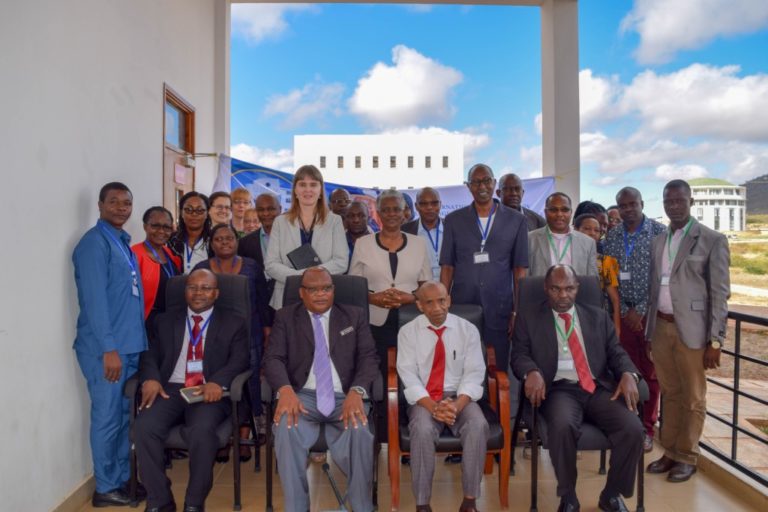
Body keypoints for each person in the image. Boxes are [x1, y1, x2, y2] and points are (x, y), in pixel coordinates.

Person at [511, 265, 643, 512]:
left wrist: (628, 373)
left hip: (597, 387)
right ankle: (568, 496)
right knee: (562, 426)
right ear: (545, 288)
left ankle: (611, 494)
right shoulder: (529, 317)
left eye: (569, 288)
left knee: (633, 428)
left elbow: (616, 352)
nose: (563, 295)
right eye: (556, 289)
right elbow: (519, 354)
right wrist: (531, 371)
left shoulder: (597, 316)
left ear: (578, 288)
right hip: (558, 389)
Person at [263, 267, 380, 512]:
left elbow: (368, 357)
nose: (320, 294)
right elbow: (273, 358)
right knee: (285, 426)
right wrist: (285, 390)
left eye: (326, 288)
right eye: (313, 289)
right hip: (302, 396)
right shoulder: (286, 317)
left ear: (333, 290)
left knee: (359, 431)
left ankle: (362, 507)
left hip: (345, 395)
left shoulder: (354, 315)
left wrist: (357, 391)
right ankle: (297, 508)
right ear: (301, 293)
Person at [134, 269, 249, 512]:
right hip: (171, 388)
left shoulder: (234, 322)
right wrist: (151, 378)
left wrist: (218, 381)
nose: (198, 293)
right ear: (185, 291)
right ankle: (160, 501)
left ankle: (194, 502)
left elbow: (240, 359)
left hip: (208, 390)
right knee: (144, 427)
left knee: (201, 431)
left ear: (216, 293)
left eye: (206, 288)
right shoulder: (164, 321)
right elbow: (149, 354)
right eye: (192, 287)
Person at [645, 180, 731, 483]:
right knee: (670, 393)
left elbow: (719, 294)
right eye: (668, 201)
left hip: (693, 333)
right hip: (661, 327)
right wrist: (649, 332)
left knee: (693, 397)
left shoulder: (711, 239)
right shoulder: (658, 241)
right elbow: (654, 289)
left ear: (690, 202)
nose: (674, 206)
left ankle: (687, 456)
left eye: (679, 201)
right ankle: (670, 451)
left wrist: (716, 341)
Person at [72, 182, 148, 507]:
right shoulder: (93, 244)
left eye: (126, 203)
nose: (121, 208)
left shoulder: (122, 243)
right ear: (100, 206)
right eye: (113, 202)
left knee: (122, 416)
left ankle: (121, 479)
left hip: (128, 347)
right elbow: (95, 302)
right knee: (107, 417)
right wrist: (109, 349)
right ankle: (105, 487)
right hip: (107, 351)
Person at [397, 282, 488, 512]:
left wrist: (457, 405)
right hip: (424, 398)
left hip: (460, 396)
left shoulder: (468, 329)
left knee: (477, 425)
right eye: (429, 303)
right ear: (419, 306)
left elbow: (474, 372)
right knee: (422, 429)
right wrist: (433, 407)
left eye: (442, 301)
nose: (437, 308)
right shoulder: (408, 332)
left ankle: (470, 501)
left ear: (449, 300)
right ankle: (422, 504)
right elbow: (408, 374)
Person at [440, 163, 528, 374]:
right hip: (462, 306)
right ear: (468, 186)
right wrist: (443, 303)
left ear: (494, 183)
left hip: (500, 307)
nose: (482, 186)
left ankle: (496, 398)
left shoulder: (516, 220)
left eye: (487, 180)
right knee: (460, 366)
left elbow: (519, 270)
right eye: (476, 182)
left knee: (497, 368)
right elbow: (447, 266)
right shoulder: (453, 220)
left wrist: (517, 310)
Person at [604, 187, 666, 452]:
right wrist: (620, 311)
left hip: (650, 316)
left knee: (651, 374)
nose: (628, 209)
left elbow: (662, 278)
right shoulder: (612, 236)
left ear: (642, 203)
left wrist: (640, 309)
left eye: (633, 204)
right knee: (625, 372)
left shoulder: (659, 233)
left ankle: (648, 429)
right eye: (623, 205)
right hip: (621, 317)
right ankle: (629, 426)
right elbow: (609, 277)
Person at [265, 165, 348, 310]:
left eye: (313, 184)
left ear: (320, 191)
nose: (307, 189)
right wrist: (300, 277)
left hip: (323, 296)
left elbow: (341, 262)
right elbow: (271, 265)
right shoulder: (280, 222)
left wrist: (311, 276)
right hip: (287, 295)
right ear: (295, 191)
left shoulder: (335, 221)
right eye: (302, 184)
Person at [132, 207, 181, 328]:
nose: (161, 231)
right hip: (146, 322)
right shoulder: (134, 254)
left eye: (166, 227)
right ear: (145, 226)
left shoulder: (168, 252)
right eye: (155, 226)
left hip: (171, 319)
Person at [527, 192, 598, 278]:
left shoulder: (588, 243)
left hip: (577, 287)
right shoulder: (529, 239)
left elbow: (592, 279)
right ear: (545, 212)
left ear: (571, 212)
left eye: (564, 210)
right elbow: (525, 277)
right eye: (553, 210)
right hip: (541, 287)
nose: (559, 214)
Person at [575, 213, 621, 337]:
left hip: (597, 320)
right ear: (575, 229)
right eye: (587, 228)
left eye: (597, 230)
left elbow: (615, 299)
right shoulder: (566, 258)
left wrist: (617, 328)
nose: (592, 233)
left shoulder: (605, 262)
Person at [403, 187, 444, 280]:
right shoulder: (405, 231)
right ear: (416, 206)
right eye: (423, 204)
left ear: (440, 204)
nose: (429, 207)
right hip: (419, 286)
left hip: (451, 286)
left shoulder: (452, 228)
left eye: (434, 203)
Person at [169, 192, 213, 274]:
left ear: (207, 213)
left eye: (200, 210)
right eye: (188, 210)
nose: (194, 214)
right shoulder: (171, 240)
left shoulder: (214, 240)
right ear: (181, 213)